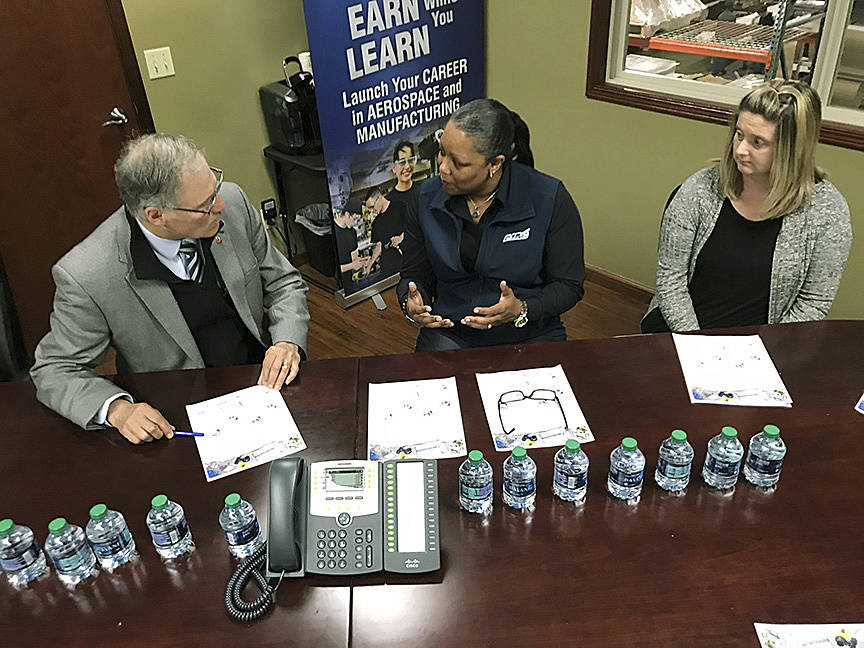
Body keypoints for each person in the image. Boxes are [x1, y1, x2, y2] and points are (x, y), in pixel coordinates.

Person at [30, 134, 309, 444]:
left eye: (214, 188)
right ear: (156, 215)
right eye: (204, 206)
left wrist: (286, 341)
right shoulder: (88, 274)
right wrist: (118, 410)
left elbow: (284, 283)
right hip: (175, 415)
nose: (220, 205)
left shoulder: (233, 204)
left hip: (264, 385)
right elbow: (55, 370)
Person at [641, 79, 852, 333]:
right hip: (683, 331)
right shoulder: (698, 190)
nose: (740, 149)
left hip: (765, 345)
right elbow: (670, 280)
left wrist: (764, 349)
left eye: (758, 142)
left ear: (791, 149)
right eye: (739, 134)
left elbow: (813, 303)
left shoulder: (827, 211)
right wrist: (698, 343)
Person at [397, 98, 585, 352]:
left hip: (528, 331)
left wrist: (522, 309)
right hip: (451, 331)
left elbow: (569, 285)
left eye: (459, 163)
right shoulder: (424, 198)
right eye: (442, 152)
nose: (442, 168)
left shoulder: (548, 198)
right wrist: (411, 303)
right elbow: (414, 274)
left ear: (495, 164)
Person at [365, 185, 406, 278]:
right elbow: (379, 245)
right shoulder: (376, 223)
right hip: (388, 269)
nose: (372, 211)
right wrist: (370, 263)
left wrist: (401, 237)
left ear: (379, 198)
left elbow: (414, 226)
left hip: (406, 263)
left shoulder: (400, 207)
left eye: (372, 207)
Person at [333, 197, 371, 289]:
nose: (355, 223)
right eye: (354, 219)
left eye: (357, 220)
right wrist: (351, 266)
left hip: (349, 280)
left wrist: (362, 261)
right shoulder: (333, 232)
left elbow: (354, 257)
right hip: (335, 283)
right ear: (347, 214)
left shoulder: (352, 232)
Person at [386, 140, 420, 206]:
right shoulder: (388, 202)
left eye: (410, 160)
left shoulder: (422, 190)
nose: (407, 166)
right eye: (402, 162)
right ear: (394, 168)